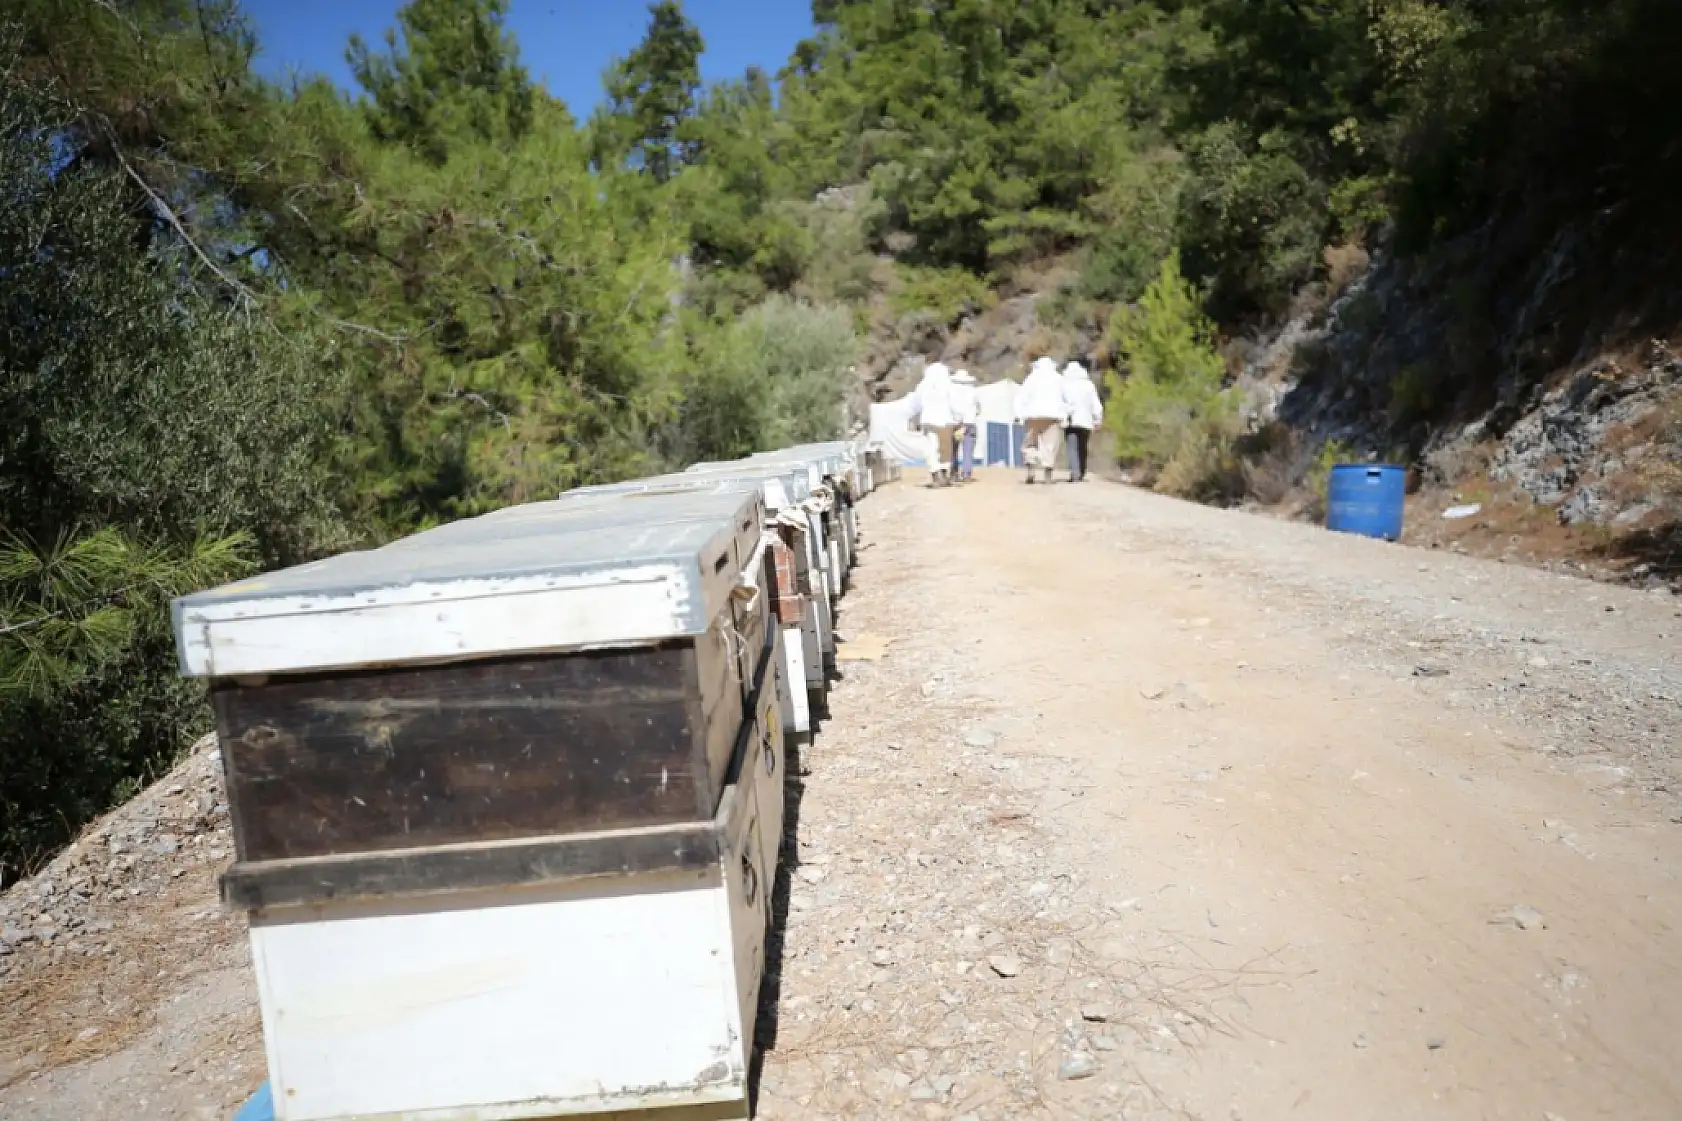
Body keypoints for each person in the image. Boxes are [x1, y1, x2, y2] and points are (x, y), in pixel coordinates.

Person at [1013, 356, 1067, 484]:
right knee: (1050, 444)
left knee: (1030, 443)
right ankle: (1047, 471)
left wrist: (1018, 414)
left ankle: (1031, 467)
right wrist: (1065, 416)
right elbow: (1065, 399)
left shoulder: (1031, 379)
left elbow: (1021, 397)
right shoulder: (1059, 379)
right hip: (1053, 416)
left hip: (1032, 416)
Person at [906, 361, 957, 486]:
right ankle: (944, 474)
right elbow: (955, 403)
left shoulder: (923, 385)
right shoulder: (948, 385)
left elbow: (915, 403)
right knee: (945, 448)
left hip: (928, 419)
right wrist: (958, 417)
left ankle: (935, 474)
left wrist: (914, 417)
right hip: (944, 420)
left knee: (931, 447)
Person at [1061, 361, 1102, 483]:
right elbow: (1096, 404)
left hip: (1071, 420)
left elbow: (1061, 403)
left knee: (1072, 447)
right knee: (1082, 447)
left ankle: (1075, 472)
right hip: (1086, 421)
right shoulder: (1088, 385)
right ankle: (1081, 471)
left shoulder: (1064, 384)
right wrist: (1098, 419)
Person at [949, 369, 979, 482]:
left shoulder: (950, 391)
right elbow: (978, 408)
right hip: (969, 423)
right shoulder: (973, 391)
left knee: (953, 450)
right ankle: (966, 474)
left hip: (955, 423)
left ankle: (953, 473)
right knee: (967, 451)